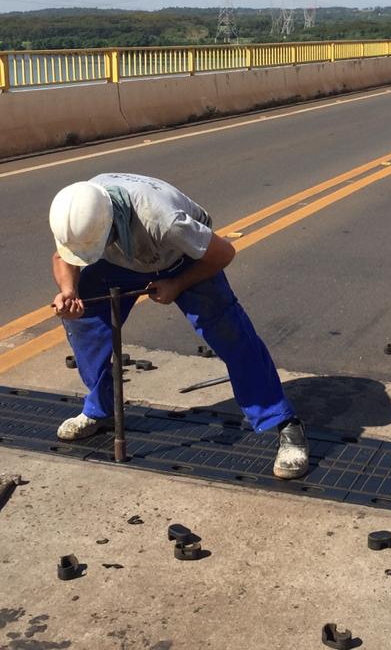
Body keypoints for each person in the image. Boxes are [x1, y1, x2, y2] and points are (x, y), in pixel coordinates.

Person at [48, 172, 309, 480]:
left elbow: (224, 253)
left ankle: (283, 422)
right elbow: (63, 257)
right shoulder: (76, 209)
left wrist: (177, 283)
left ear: (111, 225)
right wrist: (69, 291)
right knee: (84, 324)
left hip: (181, 259)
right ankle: (100, 410)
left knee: (231, 335)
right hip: (116, 262)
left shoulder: (162, 219)